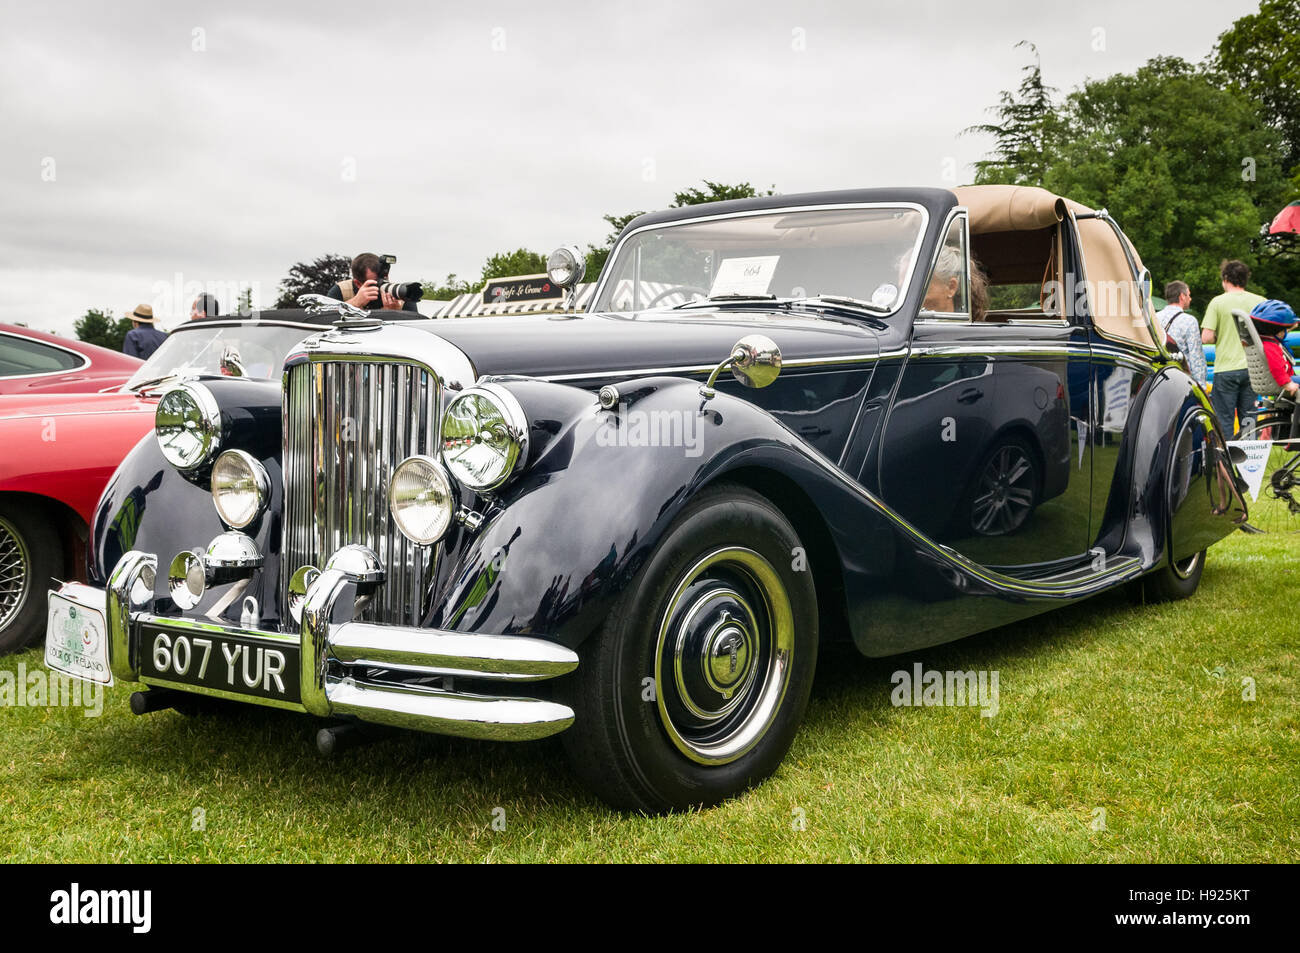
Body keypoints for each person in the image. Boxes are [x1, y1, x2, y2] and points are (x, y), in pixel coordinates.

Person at [1201, 259, 1266, 434]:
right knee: (1249, 419)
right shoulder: (1260, 301)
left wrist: (1221, 335)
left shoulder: (1217, 302)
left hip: (1226, 368)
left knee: (1224, 420)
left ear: (1226, 278)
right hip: (1254, 368)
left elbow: (1206, 337)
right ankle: (1249, 450)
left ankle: (1227, 451)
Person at [325, 252, 419, 313]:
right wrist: (354, 303)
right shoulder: (342, 290)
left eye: (385, 279)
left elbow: (414, 331)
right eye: (377, 282)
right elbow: (323, 317)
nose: (383, 284)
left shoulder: (400, 293)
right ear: (358, 284)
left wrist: (395, 314)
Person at [1155, 280, 1207, 385]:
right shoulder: (1189, 321)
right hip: (1182, 379)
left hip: (1158, 378)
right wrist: (1201, 384)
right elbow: (1196, 357)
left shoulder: (1155, 318)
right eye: (1189, 295)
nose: (1190, 298)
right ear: (1182, 296)